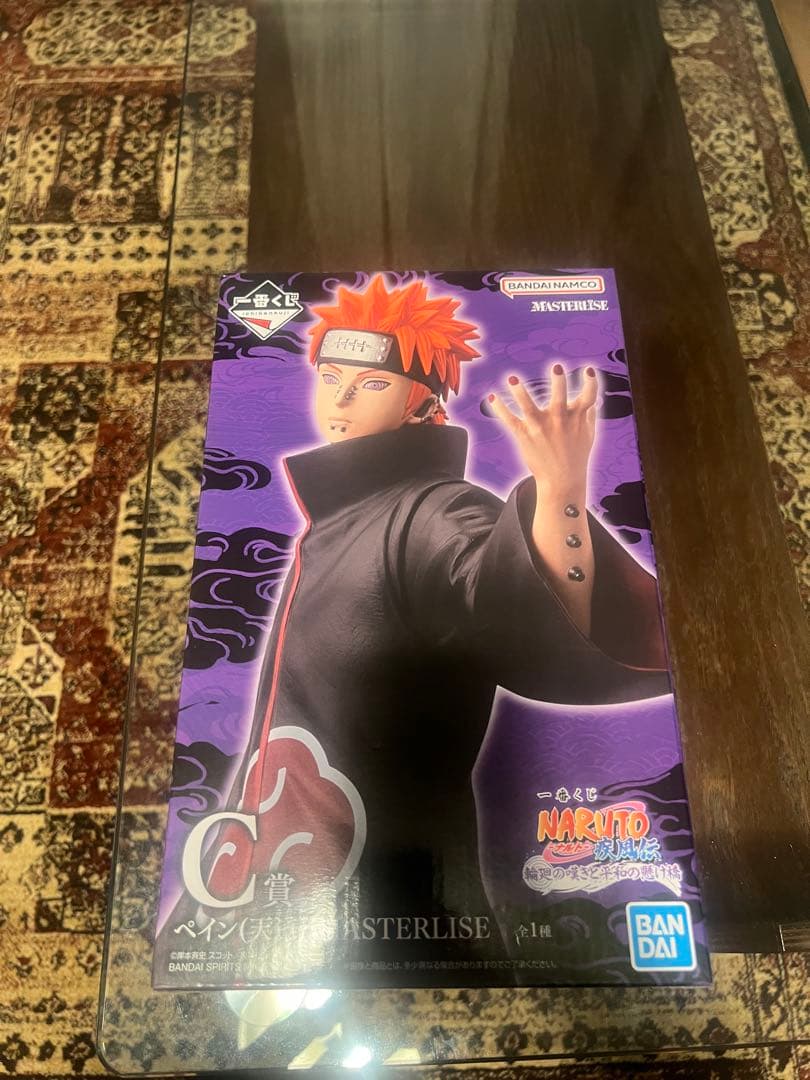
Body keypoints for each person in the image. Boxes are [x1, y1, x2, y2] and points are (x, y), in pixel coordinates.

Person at [174, 275, 670, 986]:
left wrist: (559, 494)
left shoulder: (434, 511)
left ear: (422, 403)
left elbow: (515, 614)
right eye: (331, 378)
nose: (340, 401)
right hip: (262, 885)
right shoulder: (340, 516)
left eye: (371, 384)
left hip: (396, 908)